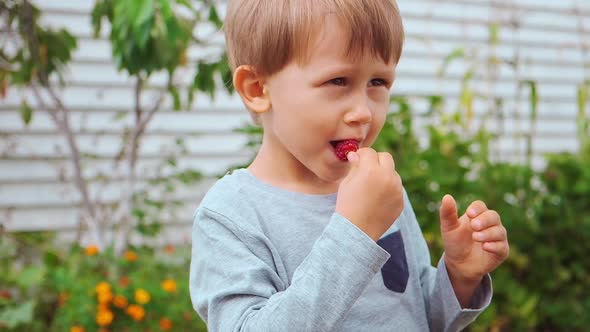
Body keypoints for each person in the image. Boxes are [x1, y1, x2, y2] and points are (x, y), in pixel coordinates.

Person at [189, 0, 510, 331]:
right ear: (257, 89)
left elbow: (417, 314)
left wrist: (459, 275)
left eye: (378, 83)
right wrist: (355, 233)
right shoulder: (232, 214)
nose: (363, 112)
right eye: (338, 81)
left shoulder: (381, 191)